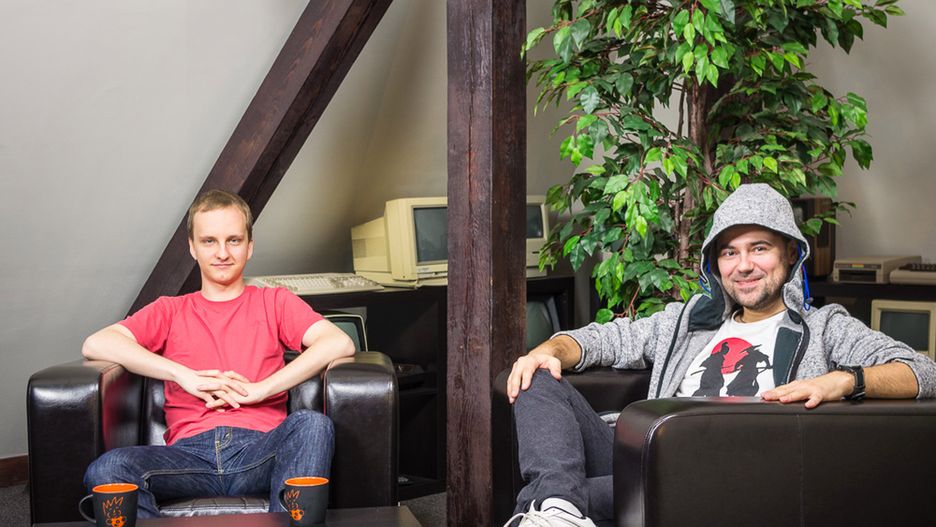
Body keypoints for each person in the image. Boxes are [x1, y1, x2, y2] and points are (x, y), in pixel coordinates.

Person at [503, 183, 936, 527]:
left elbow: (923, 371)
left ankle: (555, 504)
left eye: (759, 248)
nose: (743, 265)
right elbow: (608, 339)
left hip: (726, 476)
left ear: (790, 253)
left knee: (559, 492)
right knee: (536, 372)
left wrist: (842, 380)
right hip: (641, 457)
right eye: (730, 252)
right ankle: (558, 509)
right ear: (716, 264)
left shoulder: (825, 328)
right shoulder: (688, 320)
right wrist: (550, 349)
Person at [82, 189, 355, 518]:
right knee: (108, 469)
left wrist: (261, 389)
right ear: (192, 247)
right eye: (209, 241)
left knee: (313, 425)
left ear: (249, 246)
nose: (222, 253)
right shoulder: (170, 310)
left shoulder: (274, 302)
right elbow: (97, 343)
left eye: (234, 240)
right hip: (187, 458)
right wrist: (183, 374)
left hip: (260, 450)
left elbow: (338, 342)